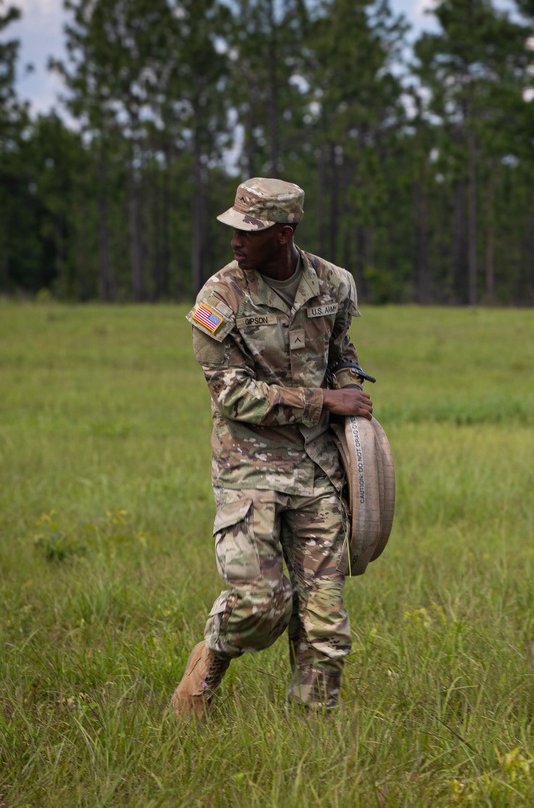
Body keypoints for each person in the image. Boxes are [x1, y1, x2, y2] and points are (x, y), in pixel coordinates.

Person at [172, 177, 374, 717]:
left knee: (326, 629)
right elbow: (231, 394)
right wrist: (325, 400)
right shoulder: (218, 298)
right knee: (262, 605)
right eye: (234, 227)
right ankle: (210, 659)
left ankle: (310, 748)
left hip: (318, 473)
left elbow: (341, 351)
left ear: (283, 234)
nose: (236, 239)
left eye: (250, 231)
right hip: (248, 472)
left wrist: (349, 382)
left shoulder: (334, 284)